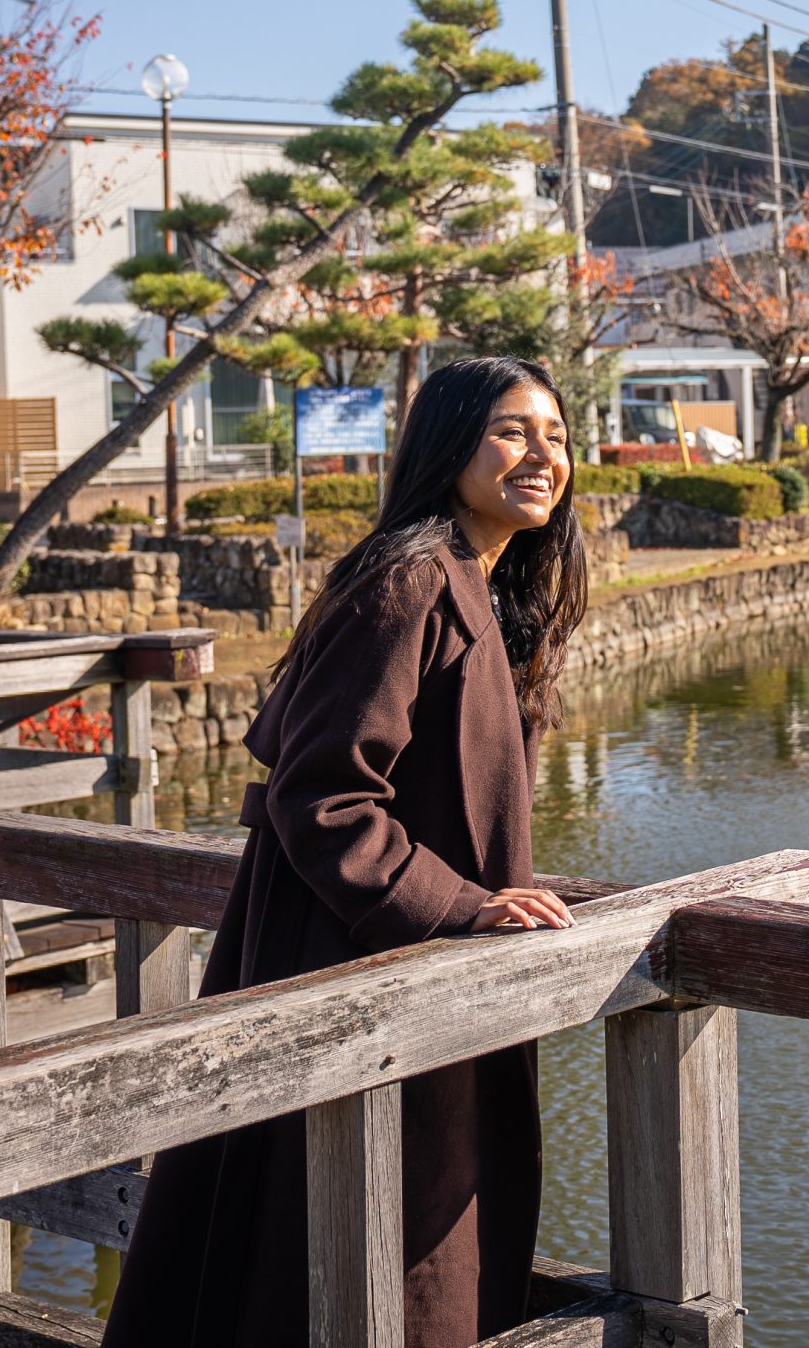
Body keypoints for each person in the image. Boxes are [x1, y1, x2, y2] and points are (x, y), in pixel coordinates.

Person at [104, 355, 587, 1348]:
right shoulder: (409, 582)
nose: (542, 454)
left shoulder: (479, 587)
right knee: (333, 1227)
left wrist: (495, 890)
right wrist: (460, 903)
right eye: (511, 430)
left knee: (380, 1221)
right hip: (346, 951)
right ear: (447, 445)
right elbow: (321, 793)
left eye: (558, 436)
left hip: (391, 951)